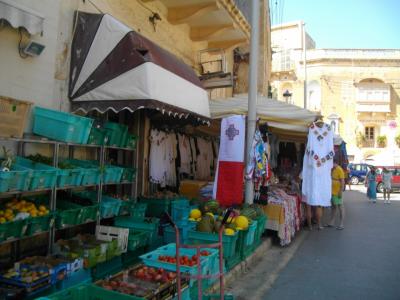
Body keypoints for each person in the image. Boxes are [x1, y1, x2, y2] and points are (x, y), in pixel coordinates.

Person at [326, 159, 345, 230]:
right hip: (332, 191)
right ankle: (331, 222)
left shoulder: (339, 169)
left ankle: (341, 224)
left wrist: (340, 191)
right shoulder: (332, 169)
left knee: (340, 207)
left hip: (337, 192)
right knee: (333, 207)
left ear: (335, 163)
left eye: (331, 163)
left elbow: (342, 181)